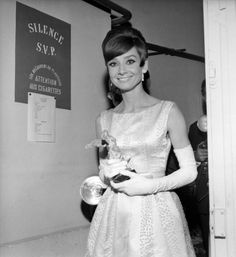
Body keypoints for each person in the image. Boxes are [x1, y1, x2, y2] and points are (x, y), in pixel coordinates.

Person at [85, 26, 197, 257]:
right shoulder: (104, 120)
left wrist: (150, 186)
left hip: (156, 210)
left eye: (130, 61)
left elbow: (189, 172)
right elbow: (105, 176)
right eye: (113, 63)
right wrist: (108, 172)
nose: (121, 70)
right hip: (115, 214)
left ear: (144, 66)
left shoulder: (168, 111)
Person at [188, 80, 209, 256]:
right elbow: (186, 161)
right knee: (210, 242)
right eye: (205, 93)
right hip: (205, 195)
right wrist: (195, 156)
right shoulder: (194, 129)